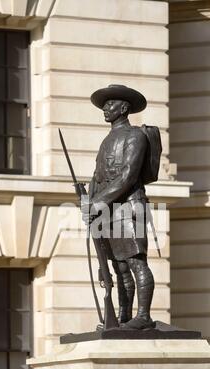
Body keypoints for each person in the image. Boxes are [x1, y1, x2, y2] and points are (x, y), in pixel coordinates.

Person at [82, 84, 155, 330]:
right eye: (105, 104)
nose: (105, 108)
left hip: (129, 207)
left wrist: (96, 202)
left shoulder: (135, 136)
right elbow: (98, 175)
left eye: (111, 104)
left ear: (124, 108)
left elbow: (127, 176)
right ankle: (123, 317)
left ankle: (143, 316)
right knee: (119, 266)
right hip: (109, 210)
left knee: (136, 262)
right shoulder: (107, 140)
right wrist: (88, 200)